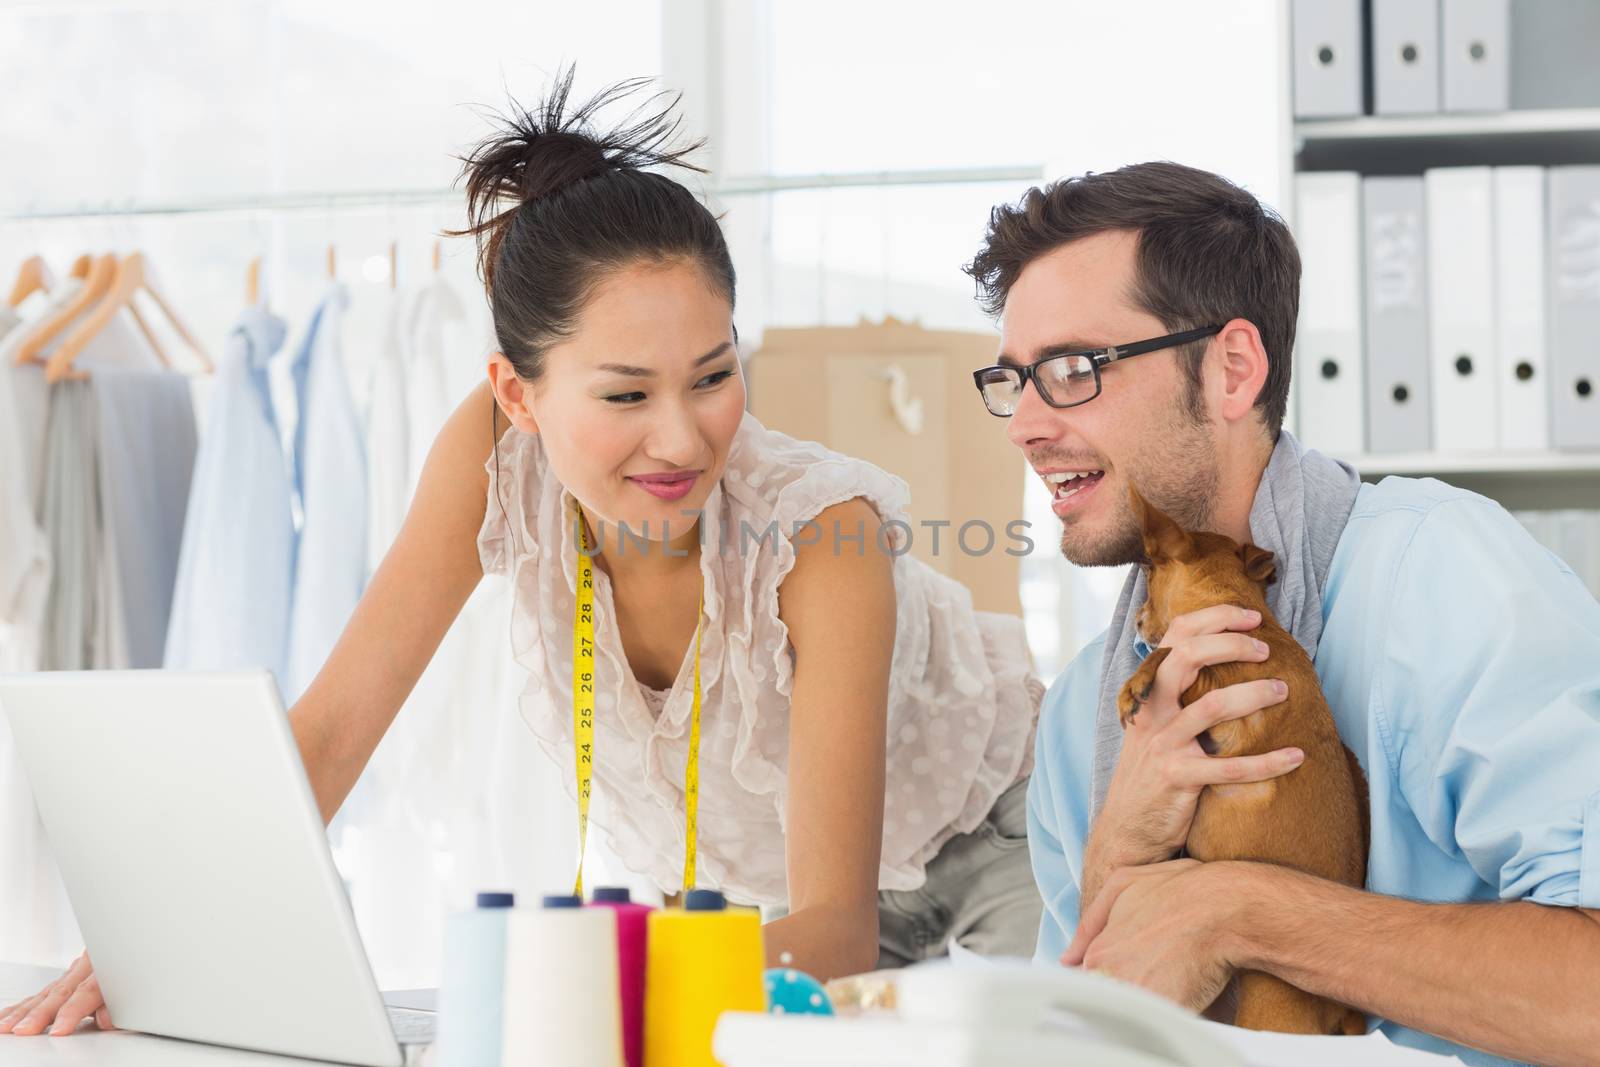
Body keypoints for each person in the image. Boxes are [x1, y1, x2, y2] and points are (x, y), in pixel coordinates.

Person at [0, 70, 1044, 1038]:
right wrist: (151, 941)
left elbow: (837, 927)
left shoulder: (825, 535)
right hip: (775, 919)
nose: (682, 437)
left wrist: (571, 990)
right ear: (518, 395)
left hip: (1000, 846)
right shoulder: (493, 459)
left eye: (714, 374)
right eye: (626, 393)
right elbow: (325, 735)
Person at [968, 160, 1600, 1066]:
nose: (1024, 423)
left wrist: (1244, 910)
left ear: (1232, 369)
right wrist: (1115, 866)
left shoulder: (1443, 580)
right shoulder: (1087, 718)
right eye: (1013, 378)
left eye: (1072, 369)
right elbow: (1078, 1045)